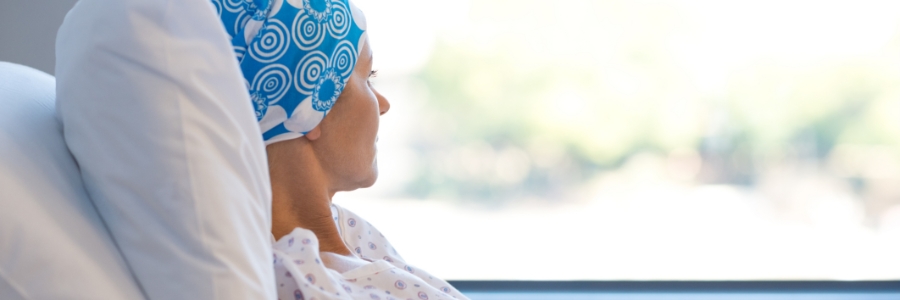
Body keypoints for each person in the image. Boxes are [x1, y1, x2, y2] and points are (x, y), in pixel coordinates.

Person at [215, 0, 468, 299]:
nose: (384, 105)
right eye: (369, 77)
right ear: (312, 106)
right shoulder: (307, 282)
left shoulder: (354, 236)